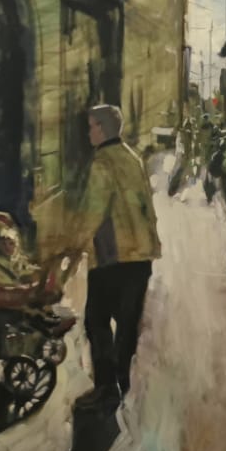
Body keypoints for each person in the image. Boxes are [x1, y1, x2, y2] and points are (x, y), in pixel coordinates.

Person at [63, 104, 161, 408]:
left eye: (91, 126)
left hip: (112, 257)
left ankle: (106, 387)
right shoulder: (132, 158)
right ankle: (125, 384)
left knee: (96, 320)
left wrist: (72, 246)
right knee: (127, 323)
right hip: (140, 256)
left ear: (102, 128)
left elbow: (92, 213)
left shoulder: (102, 163)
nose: (88, 133)